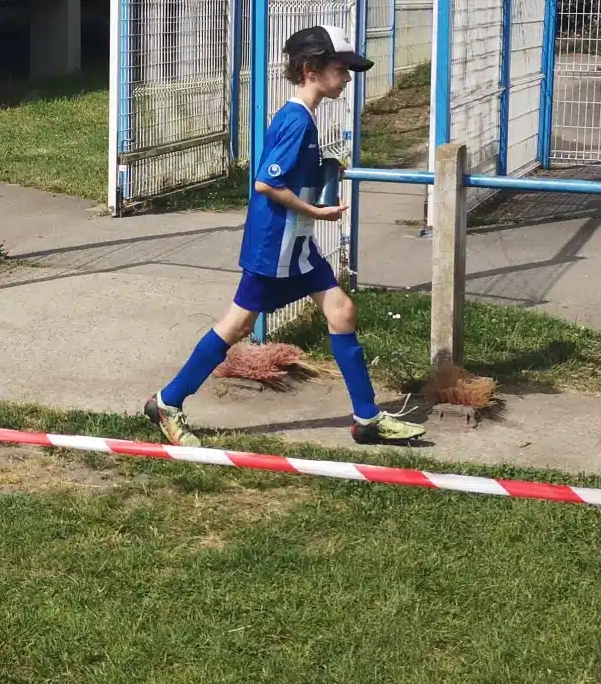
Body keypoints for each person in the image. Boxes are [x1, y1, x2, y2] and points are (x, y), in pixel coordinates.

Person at [143, 25, 425, 448]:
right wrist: (316, 211)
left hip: (297, 245)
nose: (348, 78)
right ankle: (168, 402)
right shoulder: (296, 120)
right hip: (274, 246)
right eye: (341, 68)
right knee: (238, 324)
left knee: (342, 311)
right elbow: (266, 183)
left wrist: (323, 167)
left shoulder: (305, 118)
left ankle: (367, 418)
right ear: (311, 70)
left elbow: (289, 173)